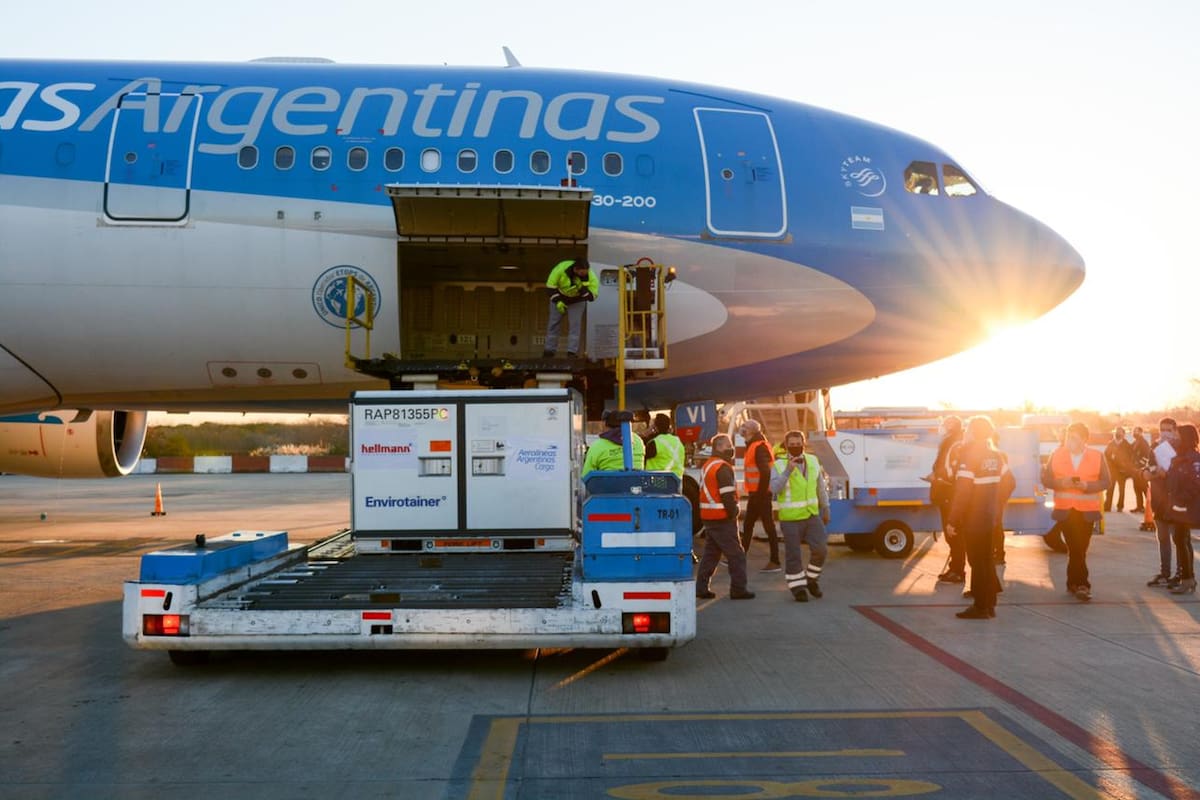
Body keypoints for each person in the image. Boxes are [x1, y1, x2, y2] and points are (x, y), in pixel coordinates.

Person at [946, 416, 1011, 619]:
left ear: (973, 433)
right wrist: (995, 503)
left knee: (977, 561)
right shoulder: (997, 456)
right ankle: (989, 603)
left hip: (974, 519)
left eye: (967, 430)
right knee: (986, 560)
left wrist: (953, 520)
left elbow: (963, 492)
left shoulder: (970, 457)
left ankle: (981, 607)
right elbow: (1010, 483)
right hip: (991, 517)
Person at [1042, 421, 1110, 602]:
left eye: (1073, 438)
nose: (1069, 441)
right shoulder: (1056, 454)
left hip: (1087, 511)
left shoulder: (1096, 456)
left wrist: (1087, 486)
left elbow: (1106, 482)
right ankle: (1082, 585)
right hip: (1065, 510)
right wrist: (1060, 483)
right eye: (1067, 437)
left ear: (1084, 440)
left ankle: (1072, 582)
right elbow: (1046, 479)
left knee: (1080, 549)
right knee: (1075, 547)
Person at [769, 430, 831, 602]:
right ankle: (798, 588)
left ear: (803, 444)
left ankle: (811, 580)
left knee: (821, 550)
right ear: (786, 446)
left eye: (798, 444)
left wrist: (825, 507)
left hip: (812, 515)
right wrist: (788, 470)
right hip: (790, 518)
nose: (796, 447)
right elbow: (774, 489)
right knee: (793, 555)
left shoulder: (813, 460)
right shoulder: (779, 465)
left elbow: (820, 487)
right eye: (792, 444)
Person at [695, 434, 755, 600]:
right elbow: (727, 495)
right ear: (720, 447)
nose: (732, 448)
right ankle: (738, 589)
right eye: (729, 445)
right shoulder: (722, 467)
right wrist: (734, 513)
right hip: (722, 517)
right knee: (736, 555)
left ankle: (701, 588)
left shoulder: (708, 465)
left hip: (709, 516)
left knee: (711, 554)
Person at [738, 419, 781, 573]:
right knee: (749, 524)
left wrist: (760, 494)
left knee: (767, 526)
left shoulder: (758, 447)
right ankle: (740, 556)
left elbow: (765, 472)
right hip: (758, 493)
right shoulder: (755, 445)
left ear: (751, 431)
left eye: (745, 427)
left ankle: (775, 560)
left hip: (760, 493)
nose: (742, 429)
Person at [929, 416, 966, 583]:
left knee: (954, 534)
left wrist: (938, 477)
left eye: (947, 424)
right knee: (951, 535)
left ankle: (958, 571)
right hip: (945, 492)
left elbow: (952, 470)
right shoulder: (949, 442)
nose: (944, 427)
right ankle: (955, 568)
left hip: (949, 493)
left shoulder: (955, 444)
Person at [1144, 417, 1180, 587]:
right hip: (1159, 500)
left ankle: (1181, 573)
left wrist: (1168, 474)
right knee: (1163, 537)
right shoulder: (1154, 448)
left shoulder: (1181, 448)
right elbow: (1146, 472)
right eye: (1162, 429)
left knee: (1179, 539)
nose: (1164, 433)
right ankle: (1165, 572)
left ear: (1175, 430)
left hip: (1176, 500)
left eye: (1168, 429)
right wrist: (1155, 473)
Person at [1165, 422, 1198, 594]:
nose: (1174, 439)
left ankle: (1187, 579)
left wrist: (1181, 500)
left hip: (1186, 507)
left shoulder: (1194, 458)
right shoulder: (1178, 456)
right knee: (1180, 540)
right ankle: (1188, 578)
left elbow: (1196, 484)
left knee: (1181, 540)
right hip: (1177, 506)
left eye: (1177, 436)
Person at [543, 258, 598, 358]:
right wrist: (558, 301)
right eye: (582, 273)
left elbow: (592, 296)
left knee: (575, 325)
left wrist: (581, 287)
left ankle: (572, 352)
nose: (584, 275)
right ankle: (549, 351)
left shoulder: (590, 275)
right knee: (553, 324)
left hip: (577, 300)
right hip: (559, 297)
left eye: (585, 273)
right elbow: (550, 287)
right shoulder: (560, 269)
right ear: (575, 269)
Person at [581, 410, 645, 478]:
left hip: (609, 487)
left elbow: (586, 475)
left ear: (607, 426)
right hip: (635, 485)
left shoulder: (598, 446)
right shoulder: (638, 440)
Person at [643, 413, 686, 480]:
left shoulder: (654, 443)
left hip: (658, 483)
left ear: (655, 427)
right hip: (677, 483)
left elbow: (640, 456)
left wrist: (645, 434)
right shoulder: (678, 442)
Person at [1103, 427, 1134, 512]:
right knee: (1110, 489)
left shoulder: (1127, 445)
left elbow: (1130, 458)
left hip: (1122, 471)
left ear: (1123, 434)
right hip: (1112, 471)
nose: (1117, 434)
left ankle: (1120, 506)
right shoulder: (1111, 444)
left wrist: (1126, 467)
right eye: (1116, 432)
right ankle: (1107, 506)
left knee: (1121, 490)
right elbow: (1106, 455)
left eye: (1120, 432)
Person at [1130, 426, 1152, 513]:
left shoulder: (1144, 443)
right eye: (1134, 431)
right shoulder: (1135, 442)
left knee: (1144, 488)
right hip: (1134, 470)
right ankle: (1139, 506)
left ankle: (1151, 506)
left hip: (1141, 470)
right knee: (1137, 489)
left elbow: (1147, 455)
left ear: (1141, 432)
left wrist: (1140, 466)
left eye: (1137, 432)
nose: (1135, 433)